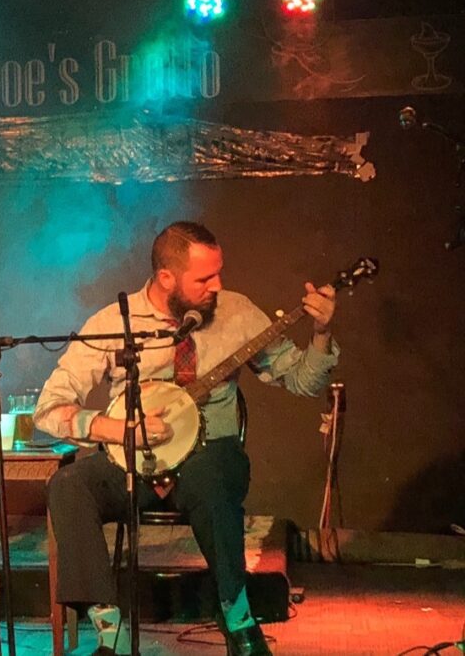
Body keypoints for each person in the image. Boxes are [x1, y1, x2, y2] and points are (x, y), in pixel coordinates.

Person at [35, 222, 338, 656]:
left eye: (219, 273)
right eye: (204, 278)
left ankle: (237, 614)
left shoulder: (236, 312)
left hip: (209, 454)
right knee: (69, 485)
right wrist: (122, 432)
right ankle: (108, 628)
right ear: (166, 278)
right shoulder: (113, 323)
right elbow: (49, 407)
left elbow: (302, 380)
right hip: (134, 463)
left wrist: (322, 332)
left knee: (212, 478)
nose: (218, 285)